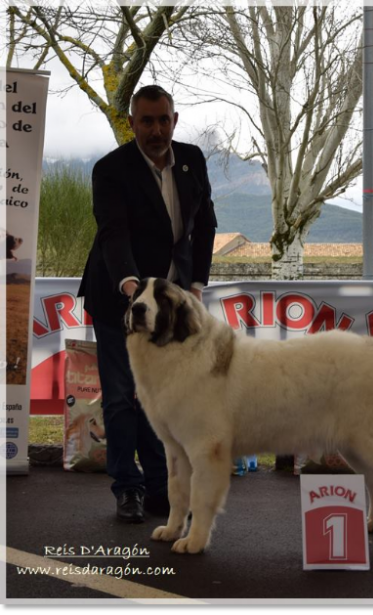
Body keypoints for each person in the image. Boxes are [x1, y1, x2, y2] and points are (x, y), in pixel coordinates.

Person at [78, 85, 217, 523]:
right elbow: (112, 232)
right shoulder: (110, 169)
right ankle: (128, 488)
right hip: (118, 295)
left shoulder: (192, 158)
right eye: (146, 121)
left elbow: (206, 223)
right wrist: (133, 289)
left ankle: (161, 487)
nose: (156, 130)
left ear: (174, 121)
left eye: (163, 120)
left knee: (162, 398)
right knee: (121, 397)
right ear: (133, 123)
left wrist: (195, 285)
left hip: (171, 303)